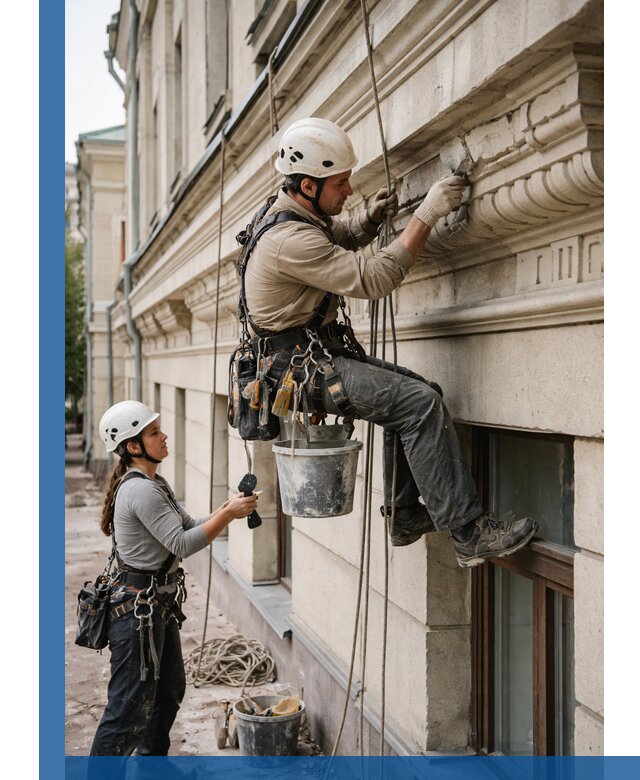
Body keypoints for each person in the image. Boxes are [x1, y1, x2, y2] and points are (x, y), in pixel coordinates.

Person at [243, 117, 537, 566]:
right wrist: (426, 215)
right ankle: (469, 533)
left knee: (424, 396)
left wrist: (368, 220)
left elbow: (332, 237)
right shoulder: (288, 239)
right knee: (418, 406)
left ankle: (404, 515)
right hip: (298, 370)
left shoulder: (289, 212)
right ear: (306, 185)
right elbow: (373, 277)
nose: (347, 191)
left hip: (302, 356)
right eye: (340, 184)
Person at [90, 400, 258, 756]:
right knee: (126, 710)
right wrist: (228, 515)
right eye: (154, 432)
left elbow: (187, 525)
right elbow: (182, 543)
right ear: (134, 446)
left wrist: (226, 508)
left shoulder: (155, 482)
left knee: (168, 692)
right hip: (136, 614)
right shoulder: (141, 490)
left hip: (154, 608)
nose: (164, 436)